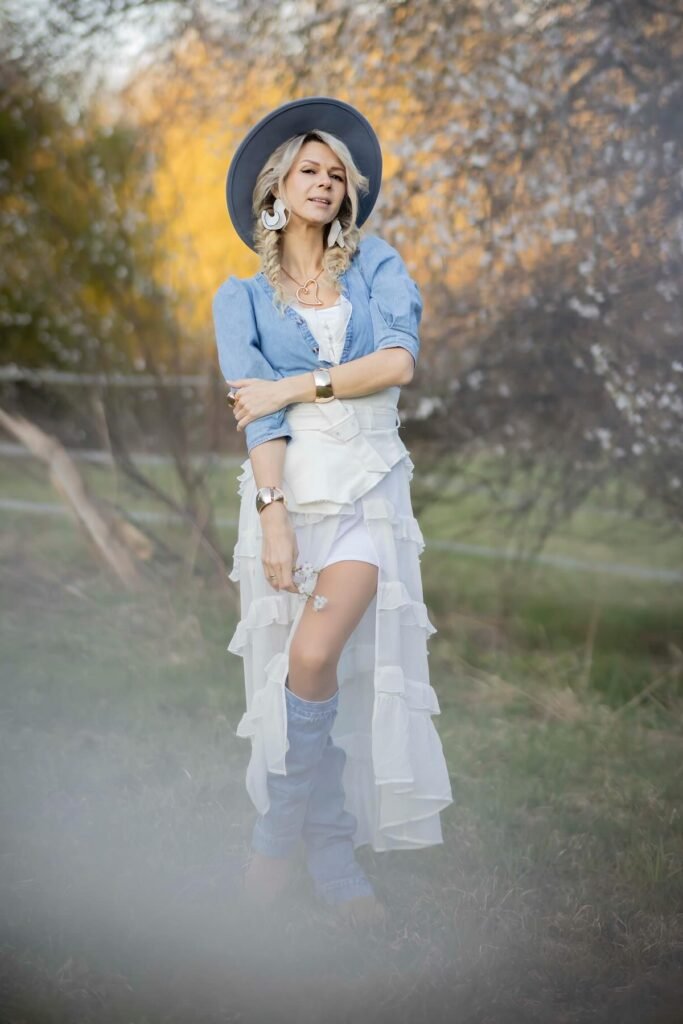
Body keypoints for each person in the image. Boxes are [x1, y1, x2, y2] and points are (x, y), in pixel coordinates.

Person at [212, 97, 453, 929]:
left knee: (314, 656)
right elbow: (261, 422)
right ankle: (329, 857)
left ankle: (276, 843)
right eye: (308, 170)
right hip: (287, 496)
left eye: (336, 174)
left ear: (348, 195)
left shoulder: (376, 265)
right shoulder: (239, 298)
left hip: (367, 494)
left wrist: (294, 382)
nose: (324, 182)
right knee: (298, 681)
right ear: (277, 189)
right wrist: (273, 517)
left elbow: (395, 363)